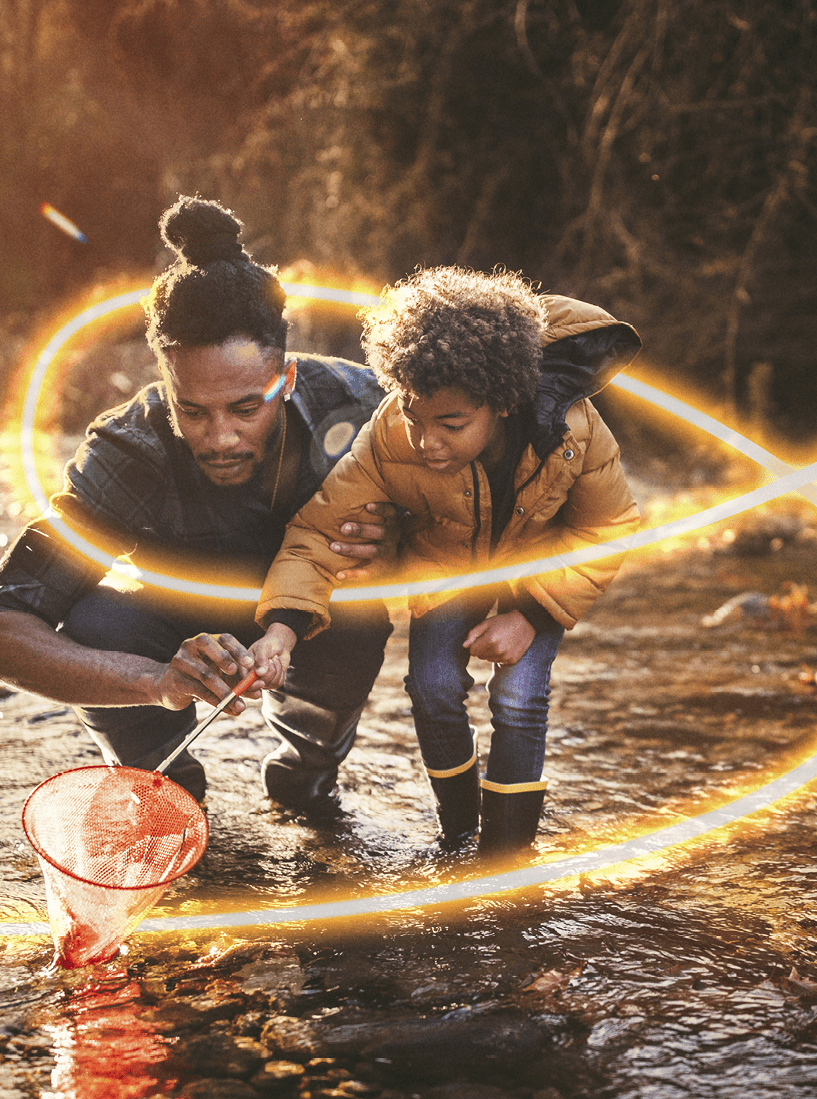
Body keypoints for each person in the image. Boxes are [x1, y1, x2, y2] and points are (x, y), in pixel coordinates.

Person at [0, 197, 394, 812]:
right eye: (192, 410)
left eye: (247, 408)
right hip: (172, 619)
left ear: (288, 379)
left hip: (318, 615)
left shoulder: (365, 409)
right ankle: (167, 796)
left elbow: (479, 519)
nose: (220, 438)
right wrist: (155, 682)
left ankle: (307, 773)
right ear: (166, 383)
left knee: (359, 613)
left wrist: (399, 549)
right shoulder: (128, 451)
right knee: (96, 624)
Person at [249, 266, 642, 855]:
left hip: (538, 575)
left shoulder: (575, 432)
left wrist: (531, 616)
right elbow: (316, 532)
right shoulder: (389, 435)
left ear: (503, 403)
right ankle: (459, 834)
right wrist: (280, 631)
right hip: (444, 567)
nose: (426, 440)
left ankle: (507, 854)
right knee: (431, 687)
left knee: (519, 697)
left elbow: (610, 528)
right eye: (414, 415)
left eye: (451, 425)